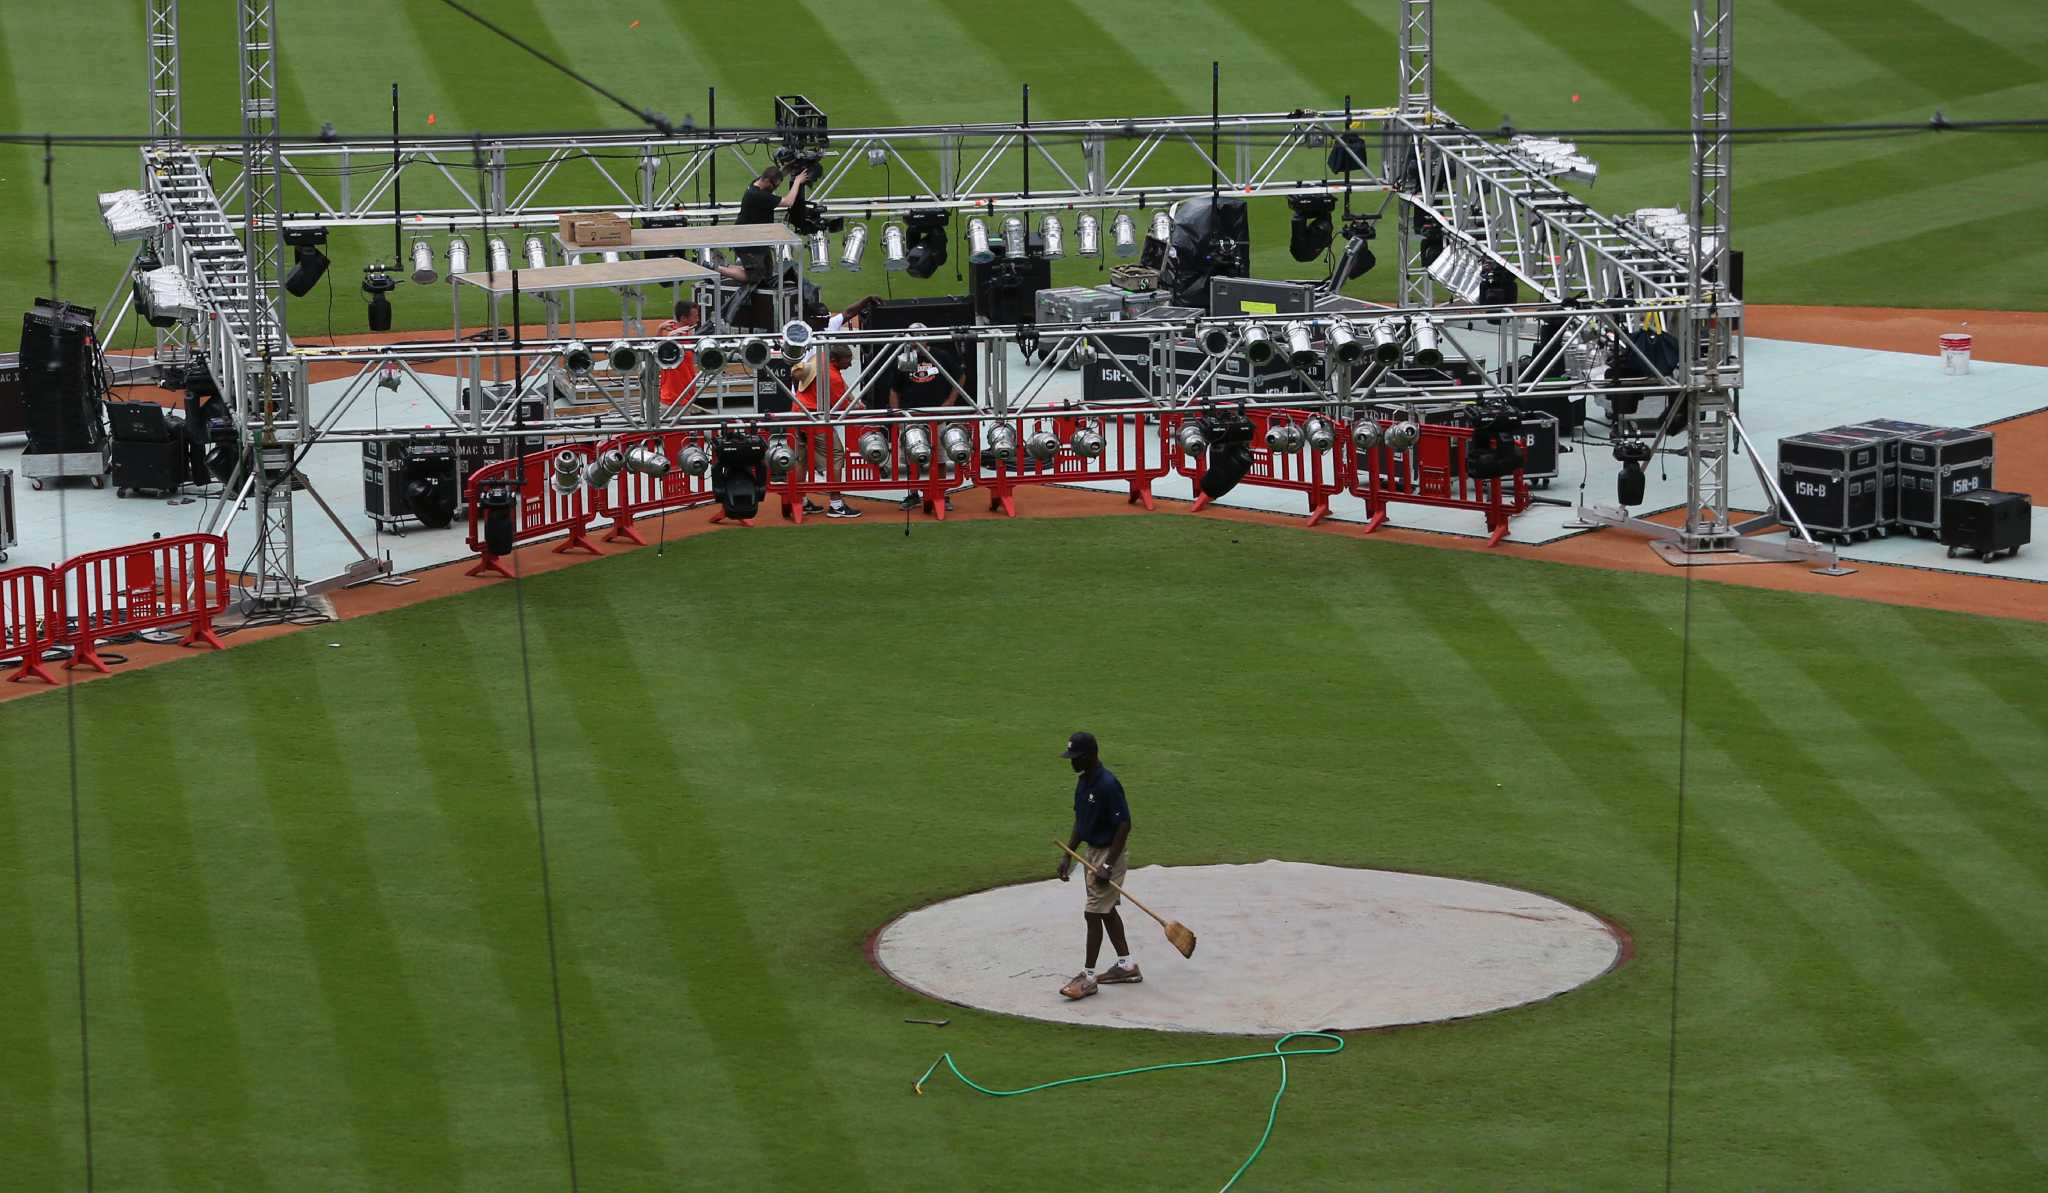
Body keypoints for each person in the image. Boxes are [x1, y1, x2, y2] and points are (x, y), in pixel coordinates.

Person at [1055, 731, 1138, 1000]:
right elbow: (1082, 821)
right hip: (1091, 853)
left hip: (1108, 853)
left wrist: (1108, 865)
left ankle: (1088, 977)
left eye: (1076, 758)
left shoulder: (1107, 785)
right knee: (1106, 909)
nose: (1072, 763)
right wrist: (1069, 853)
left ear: (1091, 756)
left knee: (1093, 913)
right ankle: (1126, 966)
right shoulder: (1084, 783)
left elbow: (1124, 825)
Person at [790, 345, 861, 519]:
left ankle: (801, 500)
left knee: (802, 458)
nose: (851, 364)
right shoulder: (833, 377)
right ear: (836, 360)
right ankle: (836, 504)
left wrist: (853, 399)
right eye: (848, 360)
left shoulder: (820, 362)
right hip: (815, 421)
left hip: (798, 415)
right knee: (836, 456)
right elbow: (842, 406)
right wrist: (857, 406)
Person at [714, 165, 812, 284]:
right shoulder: (758, 195)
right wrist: (797, 181)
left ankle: (725, 265)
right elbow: (788, 201)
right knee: (755, 277)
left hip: (759, 239)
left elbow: (774, 176)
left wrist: (788, 168)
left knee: (767, 275)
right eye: (774, 185)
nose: (775, 188)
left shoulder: (758, 182)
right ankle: (716, 269)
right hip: (747, 242)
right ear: (766, 181)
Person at [655, 299, 701, 408]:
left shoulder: (683, 335)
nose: (698, 319)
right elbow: (656, 352)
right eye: (695, 316)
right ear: (684, 318)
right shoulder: (674, 338)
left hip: (683, 397)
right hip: (674, 400)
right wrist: (665, 335)